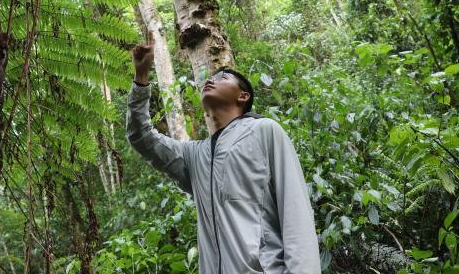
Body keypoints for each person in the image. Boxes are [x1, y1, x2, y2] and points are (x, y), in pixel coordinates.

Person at [126, 43, 321, 274]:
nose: (212, 80)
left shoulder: (264, 131)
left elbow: (295, 210)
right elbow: (141, 137)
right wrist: (141, 78)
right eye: (211, 78)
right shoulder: (194, 155)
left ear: (243, 96)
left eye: (223, 77)